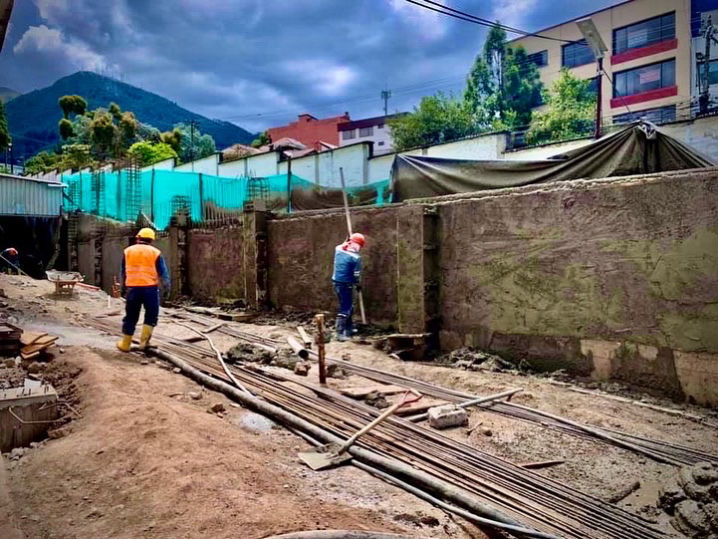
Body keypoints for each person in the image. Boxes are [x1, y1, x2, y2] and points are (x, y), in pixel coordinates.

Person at [116, 228, 170, 353]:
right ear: (151, 240)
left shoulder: (127, 251)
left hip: (132, 289)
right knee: (151, 315)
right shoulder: (155, 253)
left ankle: (125, 344)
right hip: (150, 289)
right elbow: (164, 273)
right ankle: (144, 343)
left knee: (131, 316)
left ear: (138, 238)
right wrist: (167, 288)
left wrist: (123, 288)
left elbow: (123, 272)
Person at [331, 232, 365, 341]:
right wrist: (358, 284)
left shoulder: (338, 250)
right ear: (358, 245)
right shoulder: (356, 258)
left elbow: (343, 244)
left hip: (336, 282)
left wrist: (348, 239)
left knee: (348, 305)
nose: (359, 248)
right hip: (346, 284)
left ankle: (349, 328)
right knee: (346, 307)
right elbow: (356, 275)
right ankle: (339, 333)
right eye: (360, 245)